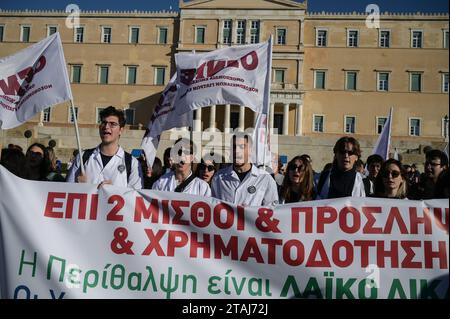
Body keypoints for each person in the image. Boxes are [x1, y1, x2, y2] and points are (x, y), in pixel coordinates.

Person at [66, 106, 143, 189]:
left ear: (121, 130)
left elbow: (135, 198)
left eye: (112, 124)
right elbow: (67, 191)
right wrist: (79, 187)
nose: (106, 127)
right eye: (104, 122)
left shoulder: (132, 163)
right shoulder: (82, 157)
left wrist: (111, 192)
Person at [211, 133, 279, 206]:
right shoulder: (218, 177)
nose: (237, 151)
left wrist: (250, 212)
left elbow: (272, 211)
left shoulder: (265, 179)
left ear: (251, 150)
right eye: (234, 147)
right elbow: (214, 207)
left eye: (242, 147)